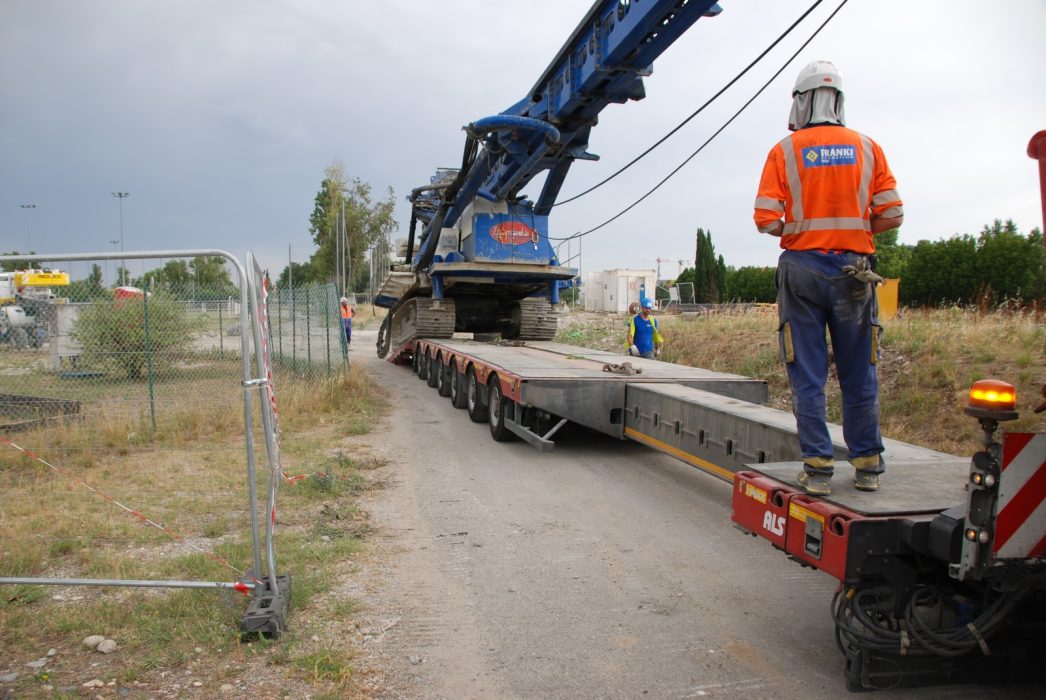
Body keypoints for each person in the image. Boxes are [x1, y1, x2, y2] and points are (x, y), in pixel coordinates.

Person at [753, 60, 903, 496]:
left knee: (809, 372)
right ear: (839, 100)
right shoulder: (868, 148)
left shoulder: (784, 150)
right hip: (855, 272)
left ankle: (818, 468)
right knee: (860, 371)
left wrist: (803, 230)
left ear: (800, 101)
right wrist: (853, 231)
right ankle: (868, 465)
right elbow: (892, 213)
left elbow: (765, 219)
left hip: (802, 269)